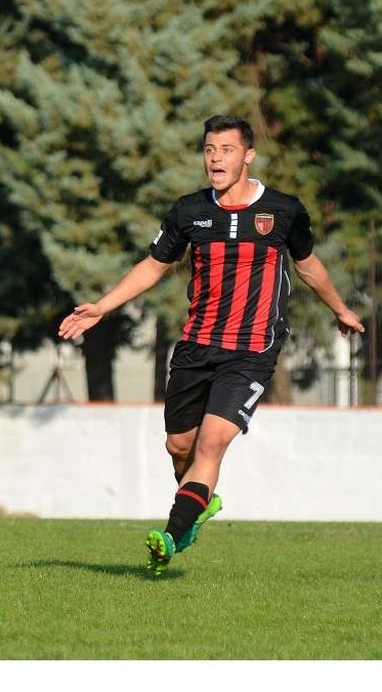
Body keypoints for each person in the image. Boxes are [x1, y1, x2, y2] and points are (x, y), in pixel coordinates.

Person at [57, 114, 364, 575]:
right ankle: (199, 503)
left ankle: (170, 535)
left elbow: (308, 265)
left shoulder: (283, 211)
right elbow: (154, 266)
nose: (216, 159)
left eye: (226, 150)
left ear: (248, 155)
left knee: (211, 443)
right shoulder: (188, 211)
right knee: (178, 446)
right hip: (197, 346)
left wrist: (339, 309)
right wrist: (102, 307)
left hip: (253, 351)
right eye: (209, 150)